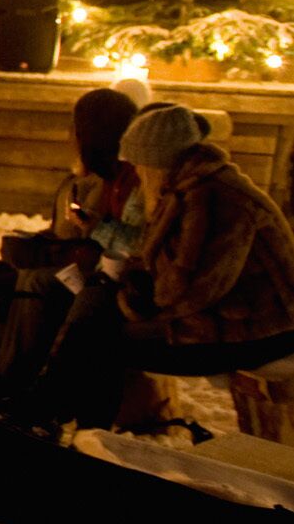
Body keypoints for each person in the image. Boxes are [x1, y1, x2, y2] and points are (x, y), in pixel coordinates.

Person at [28, 102, 294, 429]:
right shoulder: (188, 189)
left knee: (107, 340)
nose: (137, 173)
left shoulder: (215, 199)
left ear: (157, 163)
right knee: (97, 307)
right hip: (225, 318)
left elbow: (189, 289)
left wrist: (129, 298)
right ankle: (53, 415)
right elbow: (161, 262)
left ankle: (68, 424)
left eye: (140, 165)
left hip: (256, 332)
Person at [0, 88, 139, 405]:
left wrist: (76, 235)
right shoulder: (87, 179)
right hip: (75, 265)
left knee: (14, 287)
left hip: (96, 277)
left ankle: (3, 382)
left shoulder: (113, 182)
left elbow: (106, 243)